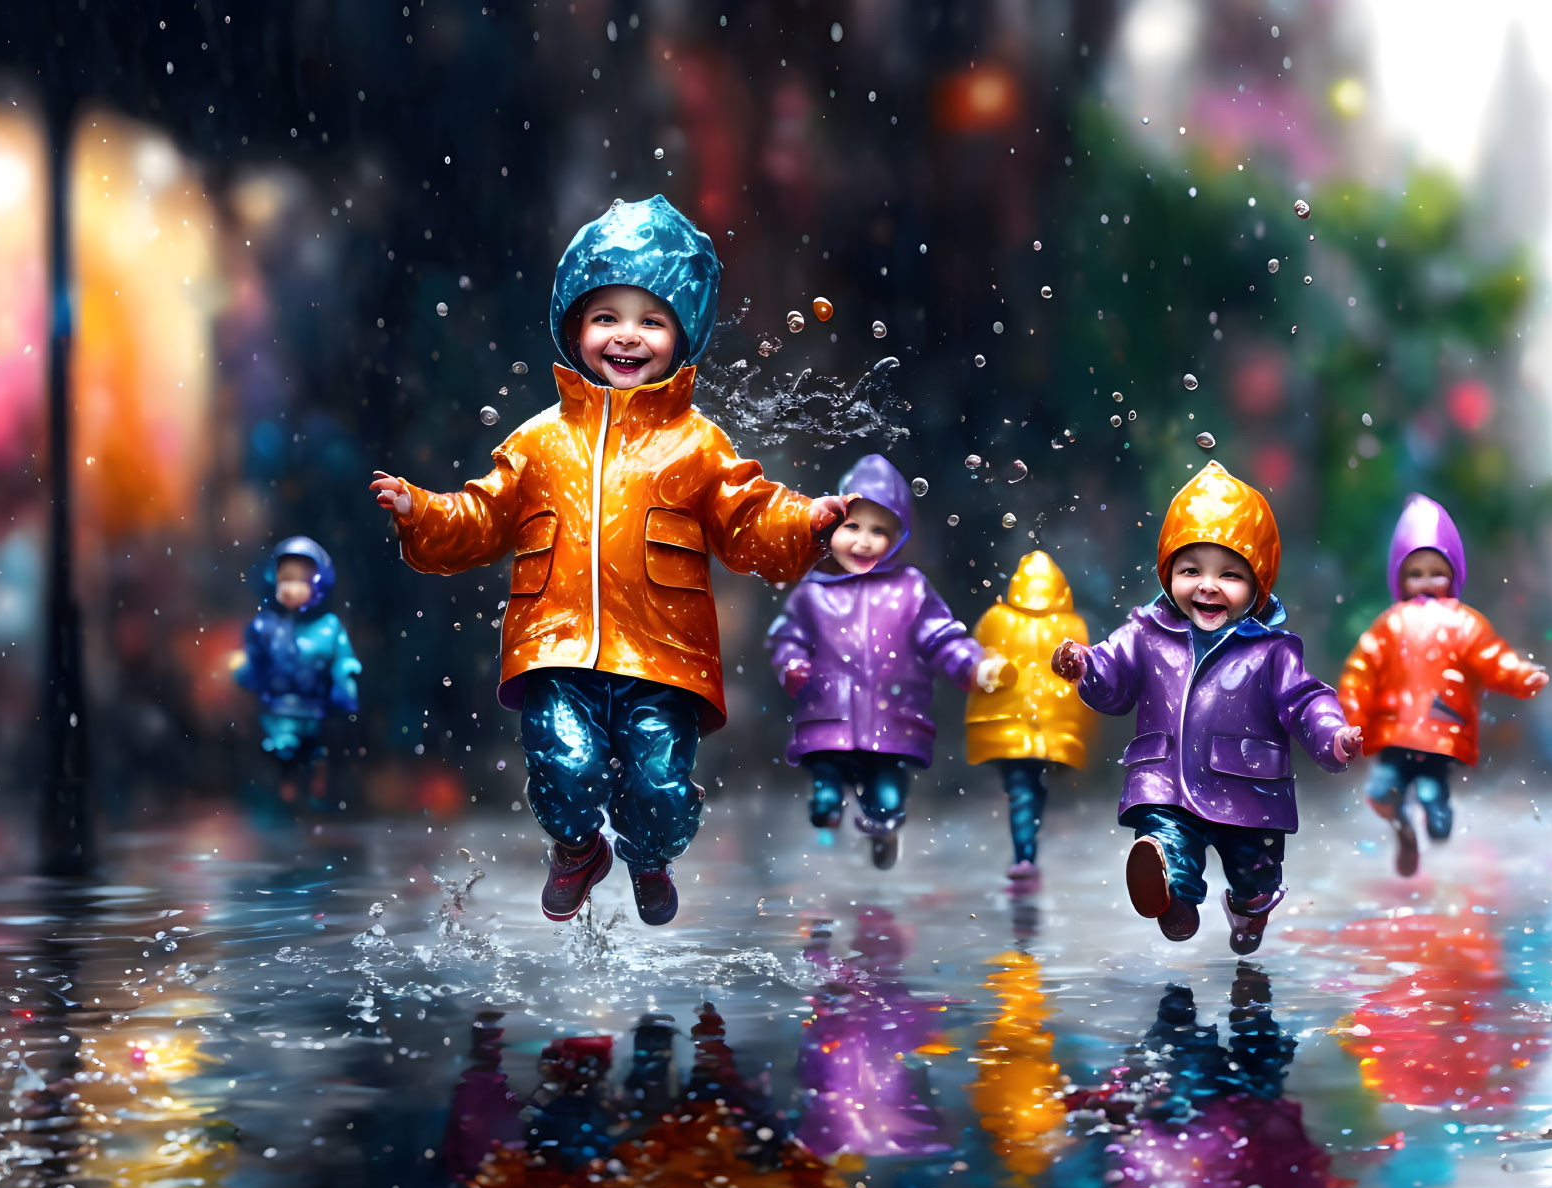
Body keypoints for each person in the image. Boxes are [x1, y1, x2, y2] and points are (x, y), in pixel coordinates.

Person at [370, 195, 848, 925]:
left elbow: (747, 516)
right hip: (554, 648)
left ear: (682, 333)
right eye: (606, 318)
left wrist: (804, 523)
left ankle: (649, 852)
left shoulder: (696, 443)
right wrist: (421, 511)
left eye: (651, 320)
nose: (627, 337)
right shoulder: (538, 441)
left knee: (658, 788)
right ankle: (576, 849)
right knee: (561, 764)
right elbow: (482, 515)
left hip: (663, 659)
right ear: (573, 326)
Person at [1052, 461, 1361, 953]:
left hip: (1249, 791)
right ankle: (1172, 893)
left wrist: (1333, 736)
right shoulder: (1145, 634)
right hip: (1165, 779)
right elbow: (1113, 679)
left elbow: (1307, 700)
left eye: (1230, 574)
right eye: (1191, 569)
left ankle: (1248, 908)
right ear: (1168, 572)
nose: (1208, 585)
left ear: (1258, 584)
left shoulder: (1272, 651)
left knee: (1256, 875)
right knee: (1166, 842)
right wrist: (1086, 666)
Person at [766, 453, 1010, 868]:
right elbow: (786, 637)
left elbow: (941, 637)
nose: (864, 541)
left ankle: (884, 830)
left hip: (890, 721)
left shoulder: (910, 589)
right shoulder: (813, 592)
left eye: (879, 531)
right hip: (829, 718)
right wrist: (791, 665)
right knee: (825, 792)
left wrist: (973, 666)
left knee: (887, 801)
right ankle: (827, 812)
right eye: (853, 526)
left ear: (899, 536)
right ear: (831, 525)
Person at [1338, 494, 1548, 875]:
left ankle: (1436, 813)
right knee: (1381, 792)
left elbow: (1492, 658)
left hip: (1439, 732)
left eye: (1437, 572)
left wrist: (1521, 677)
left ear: (1454, 574)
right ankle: (1402, 825)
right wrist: (1347, 720)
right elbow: (1360, 672)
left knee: (1436, 807)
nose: (1425, 582)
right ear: (1398, 578)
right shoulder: (1390, 625)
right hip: (1394, 732)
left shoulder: (1464, 623)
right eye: (1414, 573)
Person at [965, 551, 1094, 882]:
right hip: (1051, 732)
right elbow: (1085, 685)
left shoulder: (996, 618)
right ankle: (1026, 854)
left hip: (1005, 727)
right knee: (1030, 788)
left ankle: (1025, 854)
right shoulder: (1073, 625)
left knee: (1022, 788)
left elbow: (973, 664)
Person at [232, 536, 359, 804]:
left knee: (316, 750)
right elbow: (255, 660)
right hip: (278, 710)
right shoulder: (266, 627)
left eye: (299, 580)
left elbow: (341, 658)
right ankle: (286, 787)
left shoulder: (328, 627)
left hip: (315, 709)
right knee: (281, 751)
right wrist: (246, 672)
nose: (290, 588)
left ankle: (317, 781)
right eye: (284, 579)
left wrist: (344, 679)